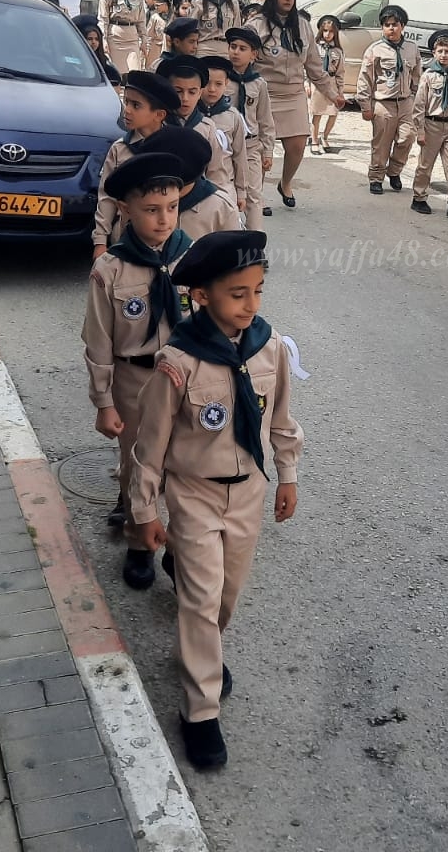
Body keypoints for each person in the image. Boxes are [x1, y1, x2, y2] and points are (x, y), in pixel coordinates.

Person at [130, 229, 302, 771]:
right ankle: (199, 709)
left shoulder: (269, 346)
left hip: (248, 491)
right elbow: (150, 446)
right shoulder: (178, 362)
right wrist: (145, 510)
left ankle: (204, 646)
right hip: (195, 493)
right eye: (237, 293)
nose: (250, 305)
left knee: (226, 596)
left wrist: (288, 474)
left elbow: (280, 419)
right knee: (201, 603)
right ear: (200, 296)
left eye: (258, 291)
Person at [82, 152, 193, 587]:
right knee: (137, 463)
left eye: (171, 207)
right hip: (135, 380)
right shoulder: (108, 270)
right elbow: (98, 341)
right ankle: (139, 542)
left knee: (184, 464)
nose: (164, 219)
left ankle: (180, 545)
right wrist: (104, 401)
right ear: (126, 212)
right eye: (151, 210)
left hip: (184, 379)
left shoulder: (191, 259)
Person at [247, 0, 347, 209]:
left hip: (293, 95)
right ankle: (257, 195)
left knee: (297, 147)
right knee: (261, 151)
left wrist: (334, 95)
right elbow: (242, 64)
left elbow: (314, 67)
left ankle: (285, 183)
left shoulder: (303, 26)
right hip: (264, 95)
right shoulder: (255, 26)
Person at [91, 70, 181, 259]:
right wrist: (100, 241)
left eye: (136, 105)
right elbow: (107, 196)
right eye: (126, 102)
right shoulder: (120, 148)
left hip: (167, 239)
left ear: (159, 114)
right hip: (126, 238)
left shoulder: (176, 146)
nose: (127, 110)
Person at [135, 123, 244, 240]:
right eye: (152, 210)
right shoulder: (139, 201)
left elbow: (234, 253)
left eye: (177, 187)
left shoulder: (220, 208)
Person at [355, 4, 421, 196]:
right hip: (383, 103)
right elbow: (365, 79)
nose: (391, 28)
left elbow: (416, 76)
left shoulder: (411, 48)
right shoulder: (375, 50)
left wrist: (416, 100)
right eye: (387, 25)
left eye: (395, 24)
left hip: (406, 102)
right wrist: (365, 106)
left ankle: (395, 171)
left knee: (407, 137)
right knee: (381, 143)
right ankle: (376, 177)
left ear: (403, 26)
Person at [409, 29, 448, 222]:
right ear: (434, 53)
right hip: (431, 125)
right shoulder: (428, 76)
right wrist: (419, 130)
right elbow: (419, 105)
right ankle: (419, 196)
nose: (444, 55)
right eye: (441, 51)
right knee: (425, 164)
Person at [158, 56, 237, 196]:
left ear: (200, 93)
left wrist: (222, 203)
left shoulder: (206, 127)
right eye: (178, 91)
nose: (185, 98)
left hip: (198, 201)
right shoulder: (157, 124)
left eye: (192, 92)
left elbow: (216, 173)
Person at [226, 27, 275, 229]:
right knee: (228, 194)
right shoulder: (220, 80)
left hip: (251, 147)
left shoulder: (259, 84)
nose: (236, 52)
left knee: (254, 196)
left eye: (242, 48)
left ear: (253, 55)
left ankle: (255, 247)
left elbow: (265, 119)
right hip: (226, 147)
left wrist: (268, 150)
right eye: (233, 46)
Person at [200, 54, 250, 210]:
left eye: (218, 84)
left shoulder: (233, 116)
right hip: (195, 186)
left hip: (224, 186)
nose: (212, 89)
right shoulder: (190, 116)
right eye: (207, 83)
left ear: (226, 84)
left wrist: (241, 191)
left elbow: (240, 156)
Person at [101, 0, 149, 75]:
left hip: (132, 39)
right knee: (116, 73)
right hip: (114, 38)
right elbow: (103, 20)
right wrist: (104, 39)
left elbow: (141, 20)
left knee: (134, 72)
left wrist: (144, 40)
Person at [309, 14, 345, 154]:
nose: (328, 34)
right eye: (325, 31)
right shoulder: (316, 48)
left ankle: (325, 137)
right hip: (317, 83)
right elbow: (308, 66)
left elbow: (340, 71)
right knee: (316, 114)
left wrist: (340, 90)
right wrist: (307, 83)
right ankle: (314, 140)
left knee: (333, 112)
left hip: (332, 83)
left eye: (331, 31)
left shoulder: (338, 51)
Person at [143, 0, 171, 67]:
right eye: (155, 5)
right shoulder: (155, 17)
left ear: (165, 4)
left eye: (158, 5)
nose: (156, 8)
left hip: (168, 49)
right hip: (156, 50)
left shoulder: (172, 17)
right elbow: (149, 35)